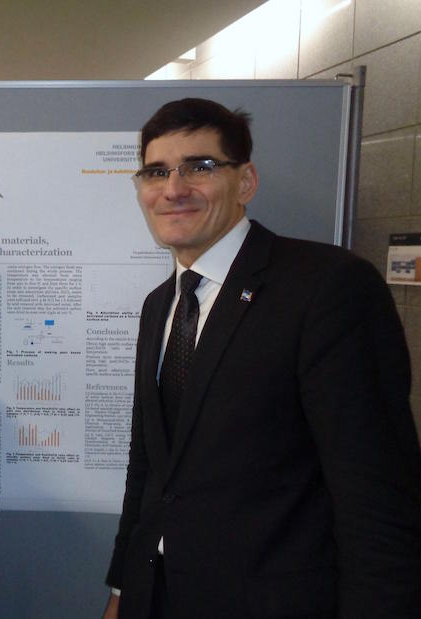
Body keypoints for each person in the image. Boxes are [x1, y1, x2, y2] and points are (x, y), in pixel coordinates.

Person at [103, 98, 421, 619]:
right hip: (156, 596)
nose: (173, 188)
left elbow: (377, 497)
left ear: (245, 182)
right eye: (156, 172)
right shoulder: (159, 306)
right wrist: (122, 589)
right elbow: (148, 469)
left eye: (200, 167)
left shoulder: (326, 287)